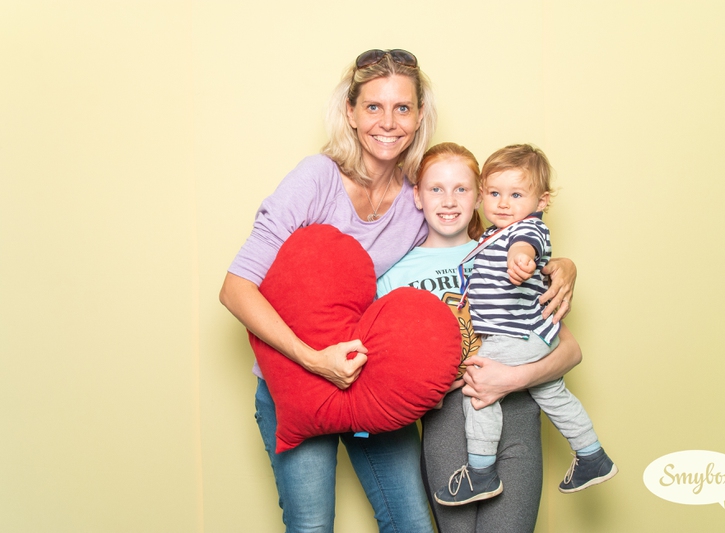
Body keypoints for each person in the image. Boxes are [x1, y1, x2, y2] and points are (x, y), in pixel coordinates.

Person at [220, 48, 576, 532]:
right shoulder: (316, 179)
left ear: (419, 115)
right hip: (299, 380)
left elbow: (487, 244)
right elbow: (236, 288)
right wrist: (314, 359)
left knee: (411, 523)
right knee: (311, 525)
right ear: (350, 112)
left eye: (402, 108)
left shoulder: (419, 195)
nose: (388, 122)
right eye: (373, 106)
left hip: (374, 382)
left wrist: (559, 266)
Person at [376, 143, 583, 532]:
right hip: (449, 425)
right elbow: (384, 373)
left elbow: (569, 350)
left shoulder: (510, 255)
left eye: (462, 189)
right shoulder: (393, 276)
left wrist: (511, 378)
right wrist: (431, 389)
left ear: (479, 197)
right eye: (436, 189)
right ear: (417, 196)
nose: (449, 201)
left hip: (519, 415)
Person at [430, 144, 617, 510]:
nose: (503, 204)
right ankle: (592, 455)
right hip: (536, 334)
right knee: (553, 393)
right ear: (482, 194)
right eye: (494, 193)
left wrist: (521, 260)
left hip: (513, 334)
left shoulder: (527, 229)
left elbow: (525, 246)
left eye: (516, 195)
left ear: (541, 201)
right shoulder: (491, 234)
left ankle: (481, 472)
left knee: (479, 388)